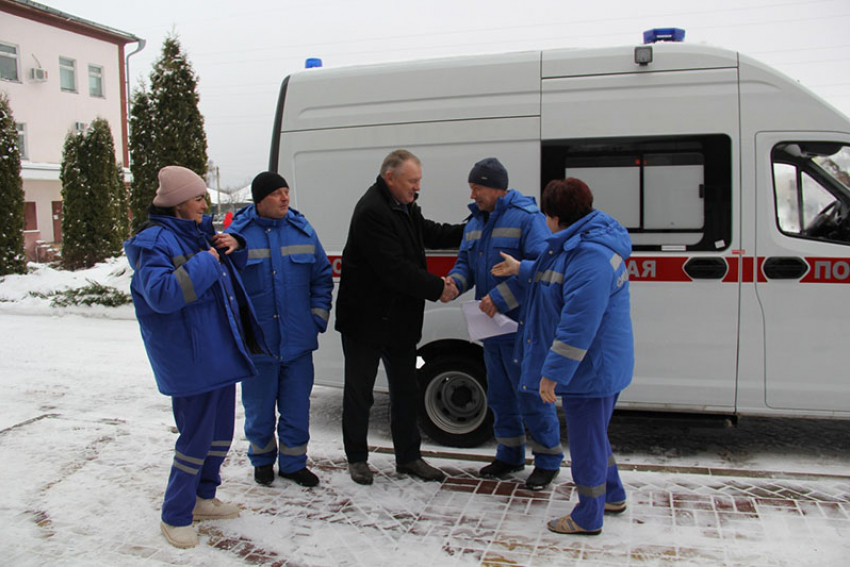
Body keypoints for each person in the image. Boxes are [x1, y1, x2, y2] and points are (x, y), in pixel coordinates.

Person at [124, 165, 266, 549]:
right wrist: (207, 260)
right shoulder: (154, 242)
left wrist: (233, 246)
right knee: (195, 437)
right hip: (191, 358)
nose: (206, 204)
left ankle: (203, 498)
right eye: (200, 198)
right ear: (179, 203)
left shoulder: (198, 234)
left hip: (219, 352)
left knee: (219, 434)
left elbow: (221, 282)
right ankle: (175, 514)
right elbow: (163, 294)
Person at [492, 177, 634, 536]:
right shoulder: (580, 243)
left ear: (553, 216)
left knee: (586, 443)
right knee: (595, 434)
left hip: (590, 369)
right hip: (597, 365)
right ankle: (612, 495)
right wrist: (520, 268)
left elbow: (577, 327)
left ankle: (588, 515)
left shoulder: (590, 256)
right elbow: (554, 274)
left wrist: (551, 375)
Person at [336, 149, 464, 485]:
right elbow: (394, 269)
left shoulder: (404, 206)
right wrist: (439, 287)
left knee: (407, 389)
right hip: (365, 322)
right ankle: (358, 459)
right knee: (359, 393)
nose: (417, 188)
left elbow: (430, 232)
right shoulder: (372, 212)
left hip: (400, 323)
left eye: (418, 181)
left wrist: (470, 230)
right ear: (389, 177)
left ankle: (409, 458)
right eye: (412, 181)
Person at [444, 157, 564, 489]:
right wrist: (454, 282)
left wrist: (501, 298)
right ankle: (509, 455)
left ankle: (548, 460)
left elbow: (542, 269)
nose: (473, 193)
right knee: (499, 395)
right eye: (471, 187)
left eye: (477, 187)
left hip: (523, 329)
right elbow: (465, 263)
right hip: (491, 329)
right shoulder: (474, 222)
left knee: (529, 395)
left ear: (497, 187)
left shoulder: (528, 219)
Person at [226, 172, 333, 488]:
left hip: (298, 343)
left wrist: (316, 318)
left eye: (286, 192)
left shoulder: (302, 230)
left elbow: (322, 278)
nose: (285, 198)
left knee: (297, 408)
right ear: (260, 200)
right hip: (259, 346)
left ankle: (293, 464)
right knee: (259, 412)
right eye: (277, 194)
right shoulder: (239, 236)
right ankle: (262, 460)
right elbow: (227, 289)